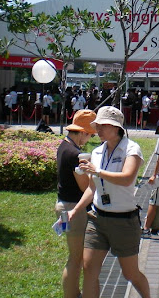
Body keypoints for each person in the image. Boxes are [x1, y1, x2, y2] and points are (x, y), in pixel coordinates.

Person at [69, 106, 150, 298]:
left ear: (117, 128)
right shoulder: (97, 152)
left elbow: (127, 178)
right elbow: (92, 188)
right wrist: (76, 210)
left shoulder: (132, 149)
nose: (98, 130)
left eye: (103, 126)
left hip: (124, 221)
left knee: (130, 274)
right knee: (89, 269)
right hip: (97, 219)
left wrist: (97, 171)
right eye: (98, 126)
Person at [55, 109, 97, 298]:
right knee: (76, 258)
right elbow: (84, 187)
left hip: (63, 205)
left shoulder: (63, 146)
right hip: (74, 209)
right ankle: (72, 294)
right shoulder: (75, 154)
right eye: (89, 135)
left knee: (73, 256)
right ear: (82, 132)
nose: (88, 139)